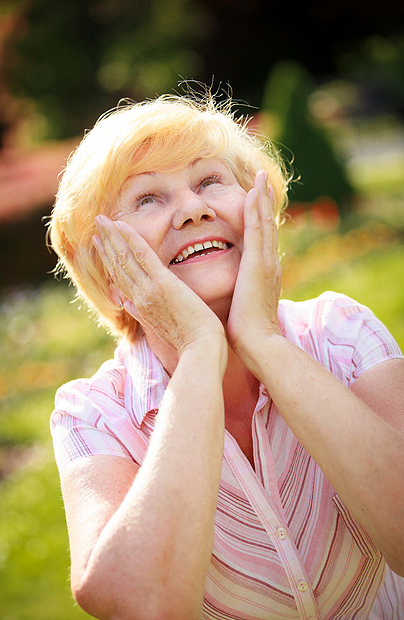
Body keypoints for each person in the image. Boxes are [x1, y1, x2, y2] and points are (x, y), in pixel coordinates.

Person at [48, 91, 404, 620]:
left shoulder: (341, 332)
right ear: (105, 269)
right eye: (148, 198)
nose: (193, 210)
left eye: (209, 181)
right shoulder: (91, 414)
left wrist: (263, 342)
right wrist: (198, 350)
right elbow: (140, 602)